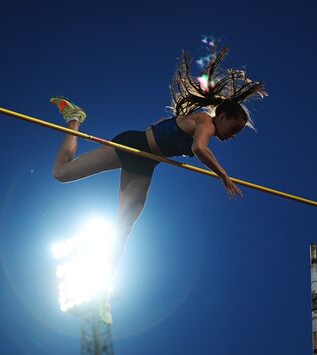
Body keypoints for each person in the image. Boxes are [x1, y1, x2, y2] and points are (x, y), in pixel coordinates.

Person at [51, 47, 267, 325]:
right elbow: (199, 148)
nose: (233, 136)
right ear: (222, 117)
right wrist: (223, 174)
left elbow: (191, 143)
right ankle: (74, 119)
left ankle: (102, 290)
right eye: (234, 129)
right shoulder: (205, 121)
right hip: (133, 145)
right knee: (62, 174)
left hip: (144, 163)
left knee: (122, 228)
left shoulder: (204, 124)